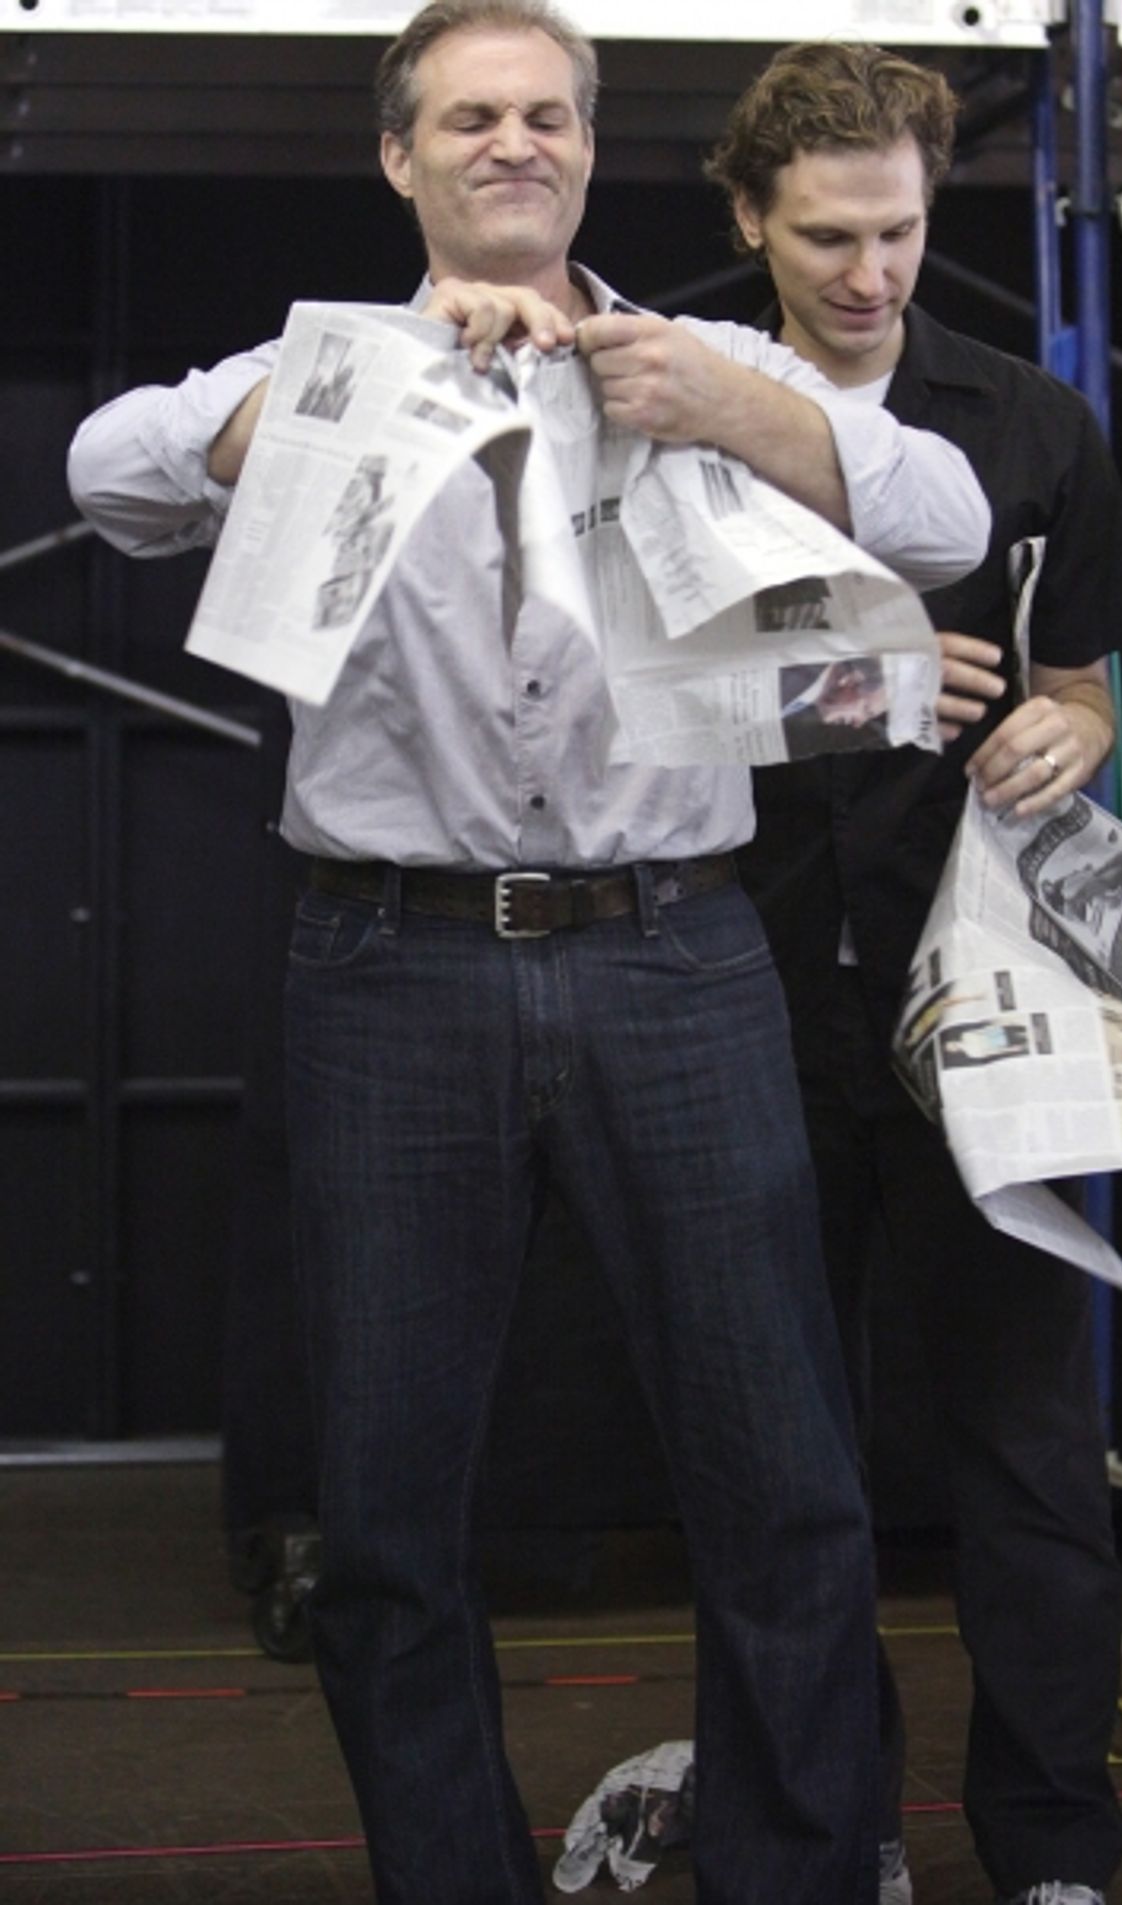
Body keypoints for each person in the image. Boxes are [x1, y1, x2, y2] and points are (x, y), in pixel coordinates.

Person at [66, 7, 991, 1900]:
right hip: (388, 970)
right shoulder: (317, 368)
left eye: (550, 115)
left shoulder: (712, 355)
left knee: (786, 1487)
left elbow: (953, 517)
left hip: (678, 960)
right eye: (473, 117)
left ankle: (798, 1872)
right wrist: (328, 409)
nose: (517, 141)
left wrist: (741, 407)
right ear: (399, 158)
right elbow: (113, 468)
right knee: (394, 1516)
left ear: (586, 153)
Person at [706, 40, 1122, 1905]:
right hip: (729, 1000)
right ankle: (834, 1839)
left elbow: (1080, 693)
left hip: (990, 1003)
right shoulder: (675, 405)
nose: (870, 271)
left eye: (898, 228)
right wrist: (844, 689)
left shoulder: (1035, 422)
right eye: (826, 236)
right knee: (767, 1470)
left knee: (1034, 1455)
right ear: (750, 220)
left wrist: (1067, 732)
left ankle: (1052, 1849)